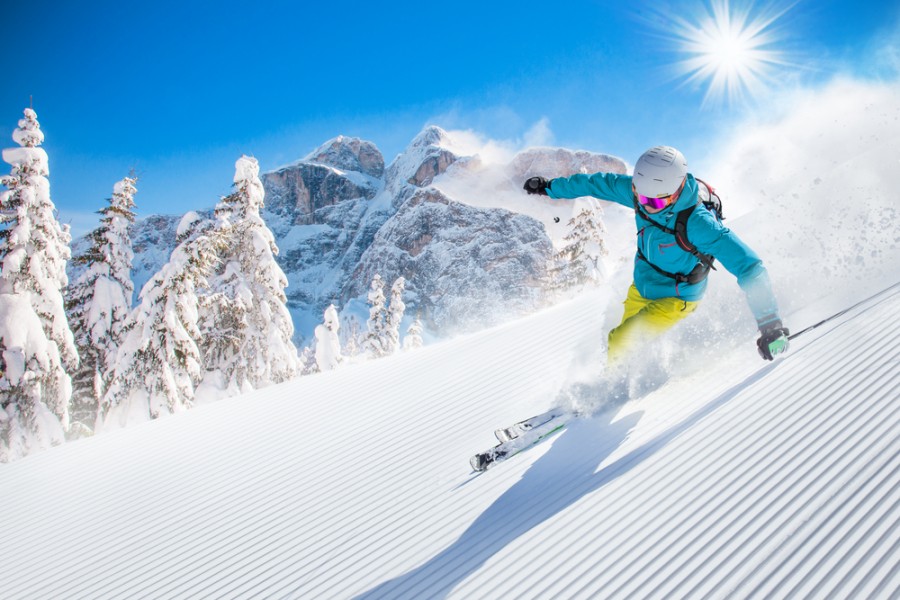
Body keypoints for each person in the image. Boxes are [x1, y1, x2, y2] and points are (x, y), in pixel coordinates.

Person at [524, 145, 789, 363]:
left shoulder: (699, 223)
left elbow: (749, 266)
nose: (648, 206)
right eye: (641, 198)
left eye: (657, 201)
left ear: (675, 192)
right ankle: (623, 372)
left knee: (622, 339)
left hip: (676, 296)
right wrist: (550, 187)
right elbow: (596, 183)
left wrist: (770, 324)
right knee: (618, 339)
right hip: (641, 286)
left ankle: (610, 389)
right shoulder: (641, 194)